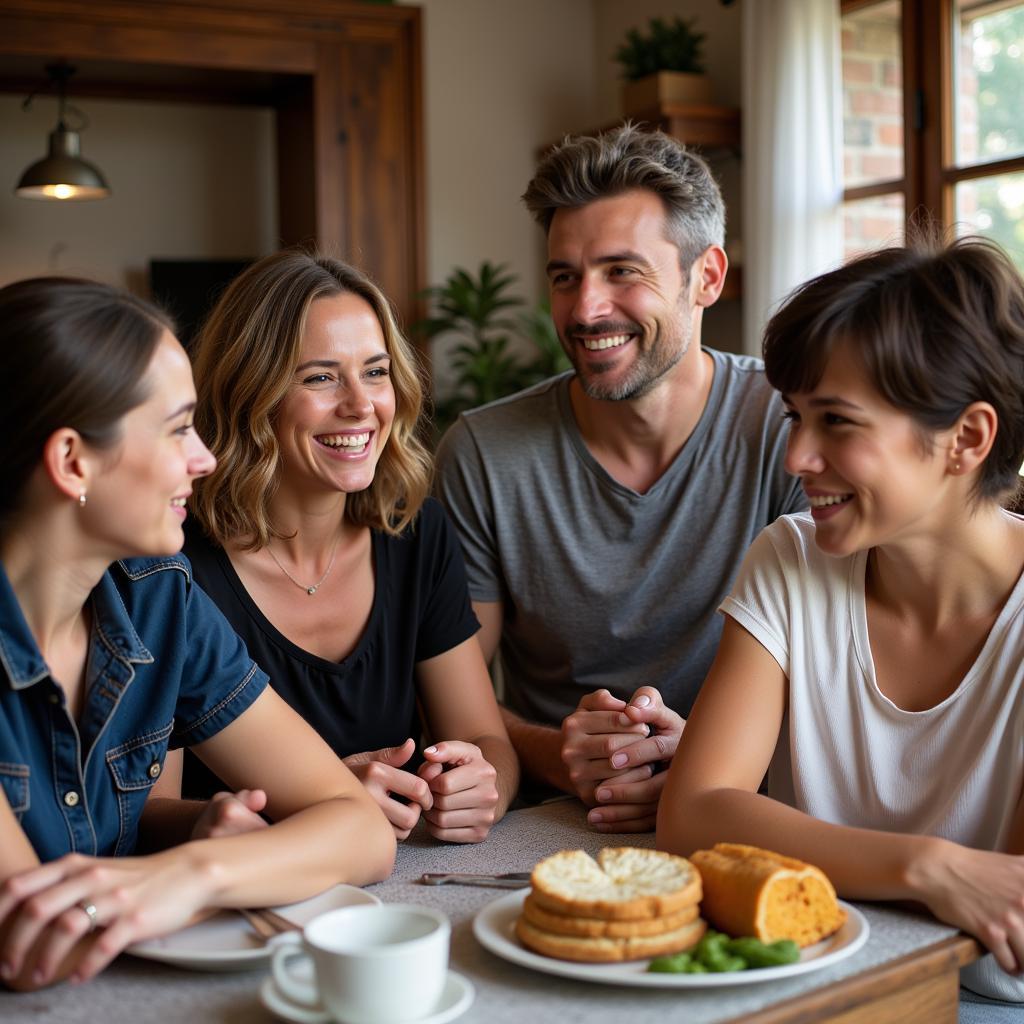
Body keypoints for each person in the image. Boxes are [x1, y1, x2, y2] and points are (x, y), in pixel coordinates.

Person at [656, 237, 1024, 1011]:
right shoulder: (790, 559)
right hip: (807, 988)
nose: (796, 455)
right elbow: (692, 815)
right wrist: (928, 867)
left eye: (837, 422)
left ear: (967, 438)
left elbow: (1009, 939)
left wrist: (795, 849)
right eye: (795, 416)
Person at [0, 278, 395, 991]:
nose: (205, 459)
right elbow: (34, 945)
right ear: (72, 462)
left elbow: (361, 830)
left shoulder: (158, 598)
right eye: (179, 429)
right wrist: (197, 874)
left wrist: (192, 863)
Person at [435, 124, 804, 830]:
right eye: (565, 277)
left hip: (756, 811)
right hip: (553, 816)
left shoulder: (790, 429)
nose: (584, 309)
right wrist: (560, 754)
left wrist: (707, 763)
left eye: (622, 271)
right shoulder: (485, 454)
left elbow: (838, 688)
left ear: (709, 277)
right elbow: (447, 692)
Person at [168, 250, 518, 843]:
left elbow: (487, 741)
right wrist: (317, 807)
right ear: (251, 392)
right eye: (320, 377)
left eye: (376, 372)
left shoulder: (417, 536)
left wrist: (486, 787)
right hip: (245, 903)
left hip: (405, 889)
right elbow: (145, 814)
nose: (361, 405)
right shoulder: (174, 568)